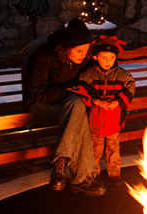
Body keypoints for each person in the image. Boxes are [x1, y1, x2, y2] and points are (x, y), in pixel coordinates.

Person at [22, 18, 106, 196]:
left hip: (70, 102)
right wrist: (69, 89)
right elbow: (37, 94)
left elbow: (106, 68)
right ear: (66, 48)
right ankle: (83, 177)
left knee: (77, 106)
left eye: (87, 49)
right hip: (40, 103)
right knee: (78, 110)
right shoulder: (44, 56)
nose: (84, 54)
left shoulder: (86, 56)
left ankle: (61, 163)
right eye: (79, 50)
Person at [72, 36, 134, 184]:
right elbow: (80, 87)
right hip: (95, 118)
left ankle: (114, 173)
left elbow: (130, 87)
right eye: (104, 57)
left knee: (113, 147)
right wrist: (96, 100)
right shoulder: (89, 74)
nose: (108, 61)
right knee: (95, 147)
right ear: (95, 57)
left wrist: (117, 102)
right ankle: (93, 173)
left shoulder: (122, 75)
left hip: (114, 117)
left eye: (112, 57)